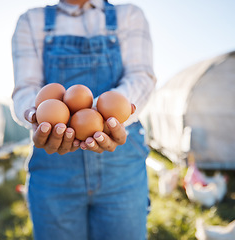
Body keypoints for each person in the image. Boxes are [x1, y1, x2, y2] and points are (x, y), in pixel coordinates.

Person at [11, 0, 156, 239]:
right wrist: (35, 114)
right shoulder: (32, 21)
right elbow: (26, 89)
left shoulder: (128, 15)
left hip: (121, 165)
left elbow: (141, 77)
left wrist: (99, 112)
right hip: (53, 164)